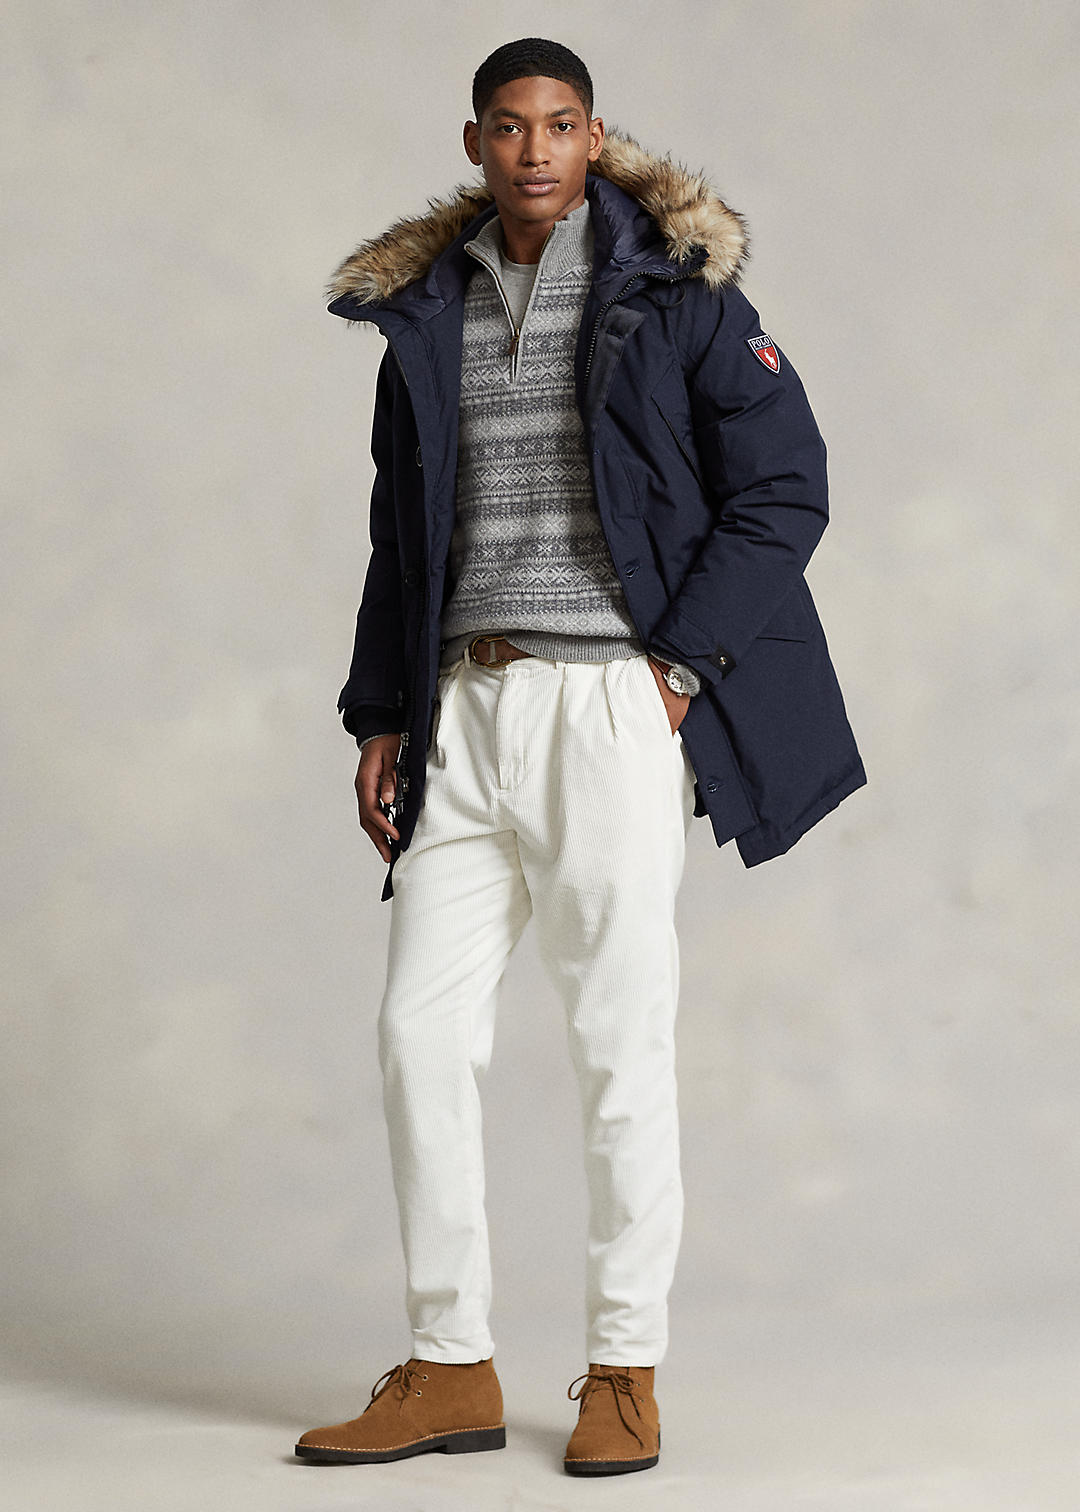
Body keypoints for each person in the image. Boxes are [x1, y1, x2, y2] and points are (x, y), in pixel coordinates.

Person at [296, 37, 866, 1478]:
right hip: (462, 707)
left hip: (610, 704)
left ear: (595, 137)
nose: (536, 149)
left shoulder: (674, 288)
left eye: (560, 124)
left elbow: (786, 486)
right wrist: (380, 710)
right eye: (509, 127)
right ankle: (450, 1364)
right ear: (476, 143)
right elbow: (400, 531)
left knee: (619, 1043)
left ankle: (624, 1369)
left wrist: (675, 671)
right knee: (418, 1034)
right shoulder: (428, 307)